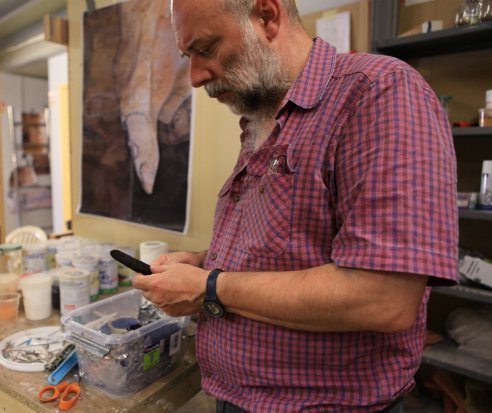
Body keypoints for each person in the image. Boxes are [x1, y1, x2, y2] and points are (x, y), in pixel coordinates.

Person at [132, 0, 459, 412]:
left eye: (207, 49)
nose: (195, 77)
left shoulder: (378, 92)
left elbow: (383, 297)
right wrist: (202, 262)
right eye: (187, 57)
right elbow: (284, 248)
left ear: (267, 16)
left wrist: (209, 286)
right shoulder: (263, 117)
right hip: (238, 397)